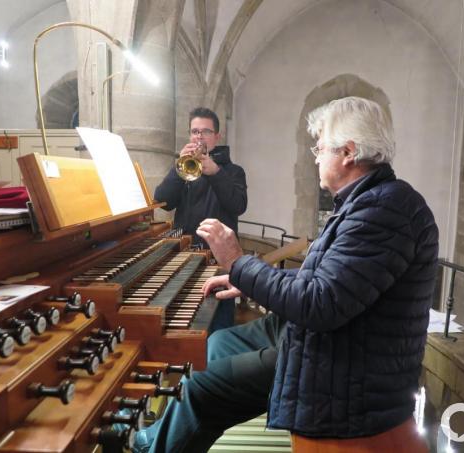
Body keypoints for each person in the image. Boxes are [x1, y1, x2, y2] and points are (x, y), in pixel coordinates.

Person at [134, 96, 438, 452]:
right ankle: (182, 432)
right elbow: (333, 283)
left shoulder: (386, 209)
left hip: (344, 363)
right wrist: (246, 277)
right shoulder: (364, 201)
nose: (315, 155)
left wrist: (237, 262)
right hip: (331, 335)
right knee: (219, 343)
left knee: (200, 387)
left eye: (320, 146)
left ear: (349, 152)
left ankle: (150, 445)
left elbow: (321, 303)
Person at [154, 107, 248, 249]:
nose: (199, 136)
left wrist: (216, 173)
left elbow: (238, 206)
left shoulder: (234, 171)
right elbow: (163, 202)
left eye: (206, 131)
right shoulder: (184, 168)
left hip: (218, 252)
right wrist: (178, 170)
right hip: (184, 248)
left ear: (217, 136)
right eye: (195, 131)